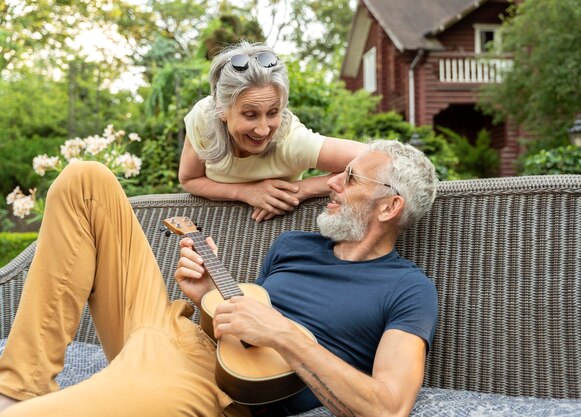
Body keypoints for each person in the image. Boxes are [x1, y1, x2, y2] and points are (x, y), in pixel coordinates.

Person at [0, 139, 438, 417]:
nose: (332, 185)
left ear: (389, 207)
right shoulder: (295, 245)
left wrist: (287, 335)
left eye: (350, 177)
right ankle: (20, 386)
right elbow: (241, 337)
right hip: (171, 331)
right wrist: (209, 295)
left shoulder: (407, 289)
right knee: (86, 180)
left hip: (208, 388)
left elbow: (389, 406)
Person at [179, 41, 366, 223]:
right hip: (216, 225)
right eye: (250, 115)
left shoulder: (292, 140)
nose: (263, 130)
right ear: (221, 109)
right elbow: (189, 179)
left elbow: (384, 161)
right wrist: (244, 192)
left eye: (273, 112)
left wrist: (302, 189)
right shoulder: (203, 117)